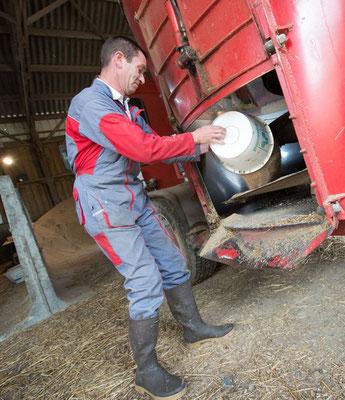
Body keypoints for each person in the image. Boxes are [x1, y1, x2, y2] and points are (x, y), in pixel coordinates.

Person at [65, 36, 233, 400]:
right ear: (119, 60)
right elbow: (140, 148)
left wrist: (207, 142)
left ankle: (193, 328)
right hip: (105, 202)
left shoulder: (127, 108)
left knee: (173, 262)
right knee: (144, 280)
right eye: (140, 70)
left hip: (134, 196)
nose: (142, 78)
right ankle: (147, 371)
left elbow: (158, 148)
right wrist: (192, 139)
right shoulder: (91, 104)